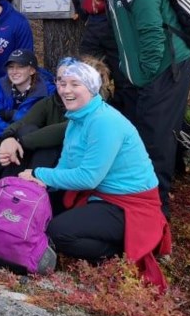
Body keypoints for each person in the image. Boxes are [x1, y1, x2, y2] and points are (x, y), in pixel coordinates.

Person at [19, 59, 171, 291]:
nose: (66, 90)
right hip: (101, 194)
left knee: (57, 232)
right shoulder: (77, 119)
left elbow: (88, 178)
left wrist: (40, 173)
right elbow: (66, 166)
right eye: (61, 83)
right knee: (43, 217)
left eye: (74, 84)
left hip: (130, 205)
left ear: (91, 88)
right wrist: (37, 186)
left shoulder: (104, 122)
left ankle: (116, 253)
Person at [85, 0, 190, 219]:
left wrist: (143, 77)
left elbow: (151, 33)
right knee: (147, 137)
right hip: (152, 76)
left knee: (155, 142)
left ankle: (158, 218)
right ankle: (145, 205)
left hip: (167, 70)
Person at [0, 56, 114, 185]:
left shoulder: (94, 109)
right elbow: (24, 122)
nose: (65, 86)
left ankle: (29, 188)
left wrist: (19, 141)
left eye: (72, 81)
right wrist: (8, 138)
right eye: (60, 80)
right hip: (46, 159)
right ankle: (1, 187)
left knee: (46, 147)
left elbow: (62, 131)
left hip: (74, 163)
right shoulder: (50, 102)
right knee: (24, 133)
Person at [0, 49, 55, 145]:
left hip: (33, 142)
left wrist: (14, 115)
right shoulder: (1, 85)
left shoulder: (47, 91)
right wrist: (11, 133)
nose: (14, 71)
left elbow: (42, 124)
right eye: (11, 67)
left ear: (32, 70)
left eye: (20, 67)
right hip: (6, 136)